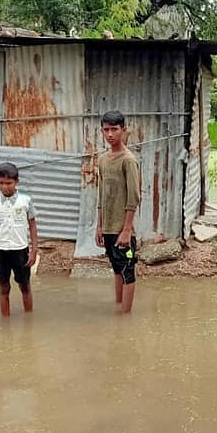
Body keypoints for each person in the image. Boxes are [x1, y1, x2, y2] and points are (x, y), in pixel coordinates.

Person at [95, 111, 142, 313]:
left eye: (114, 129)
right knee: (116, 267)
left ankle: (125, 316)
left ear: (124, 130)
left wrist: (127, 229)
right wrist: (99, 226)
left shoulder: (128, 160)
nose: (110, 134)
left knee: (127, 269)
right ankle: (118, 308)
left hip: (123, 229)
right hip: (108, 227)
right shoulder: (103, 160)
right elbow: (101, 196)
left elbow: (134, 197)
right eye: (106, 130)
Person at [0, 163, 39, 317]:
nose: (5, 187)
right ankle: (5, 321)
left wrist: (34, 250)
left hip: (20, 249)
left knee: (25, 286)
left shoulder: (26, 201)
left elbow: (33, 226)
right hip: (0, 250)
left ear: (17, 182)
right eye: (1, 183)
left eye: (9, 183)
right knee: (3, 288)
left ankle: (29, 320)